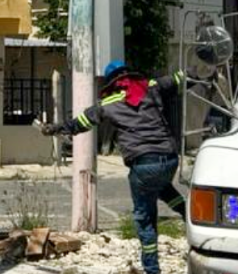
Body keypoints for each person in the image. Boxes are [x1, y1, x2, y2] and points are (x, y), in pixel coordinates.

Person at [44, 60, 188, 274]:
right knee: (163, 187)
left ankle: (152, 269)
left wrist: (54, 128)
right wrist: (207, 70)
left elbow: (79, 124)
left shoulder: (107, 104)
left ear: (111, 82)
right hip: (169, 159)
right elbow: (181, 79)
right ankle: (189, 215)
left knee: (145, 219)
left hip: (143, 164)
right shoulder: (150, 86)